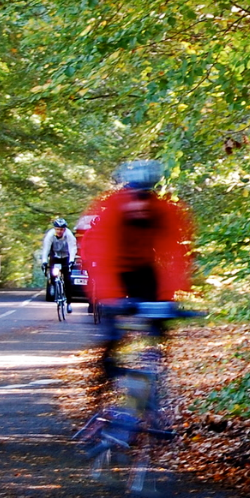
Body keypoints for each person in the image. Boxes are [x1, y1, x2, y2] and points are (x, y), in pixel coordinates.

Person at [82, 160, 193, 386]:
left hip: (143, 269)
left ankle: (152, 372)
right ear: (126, 194)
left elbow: (177, 252)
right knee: (112, 333)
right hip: (111, 270)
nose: (140, 206)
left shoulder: (163, 210)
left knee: (159, 319)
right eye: (134, 198)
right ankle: (106, 375)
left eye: (145, 198)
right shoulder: (110, 210)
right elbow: (99, 256)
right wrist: (109, 298)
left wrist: (169, 298)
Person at [40, 218, 77, 310]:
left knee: (67, 279)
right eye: (57, 229)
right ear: (54, 229)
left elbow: (72, 249)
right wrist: (44, 262)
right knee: (52, 276)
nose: (59, 231)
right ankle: (56, 288)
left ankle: (69, 303)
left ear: (64, 229)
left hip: (66, 256)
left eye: (61, 229)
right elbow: (46, 249)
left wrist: (71, 261)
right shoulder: (50, 235)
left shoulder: (69, 235)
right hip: (55, 256)